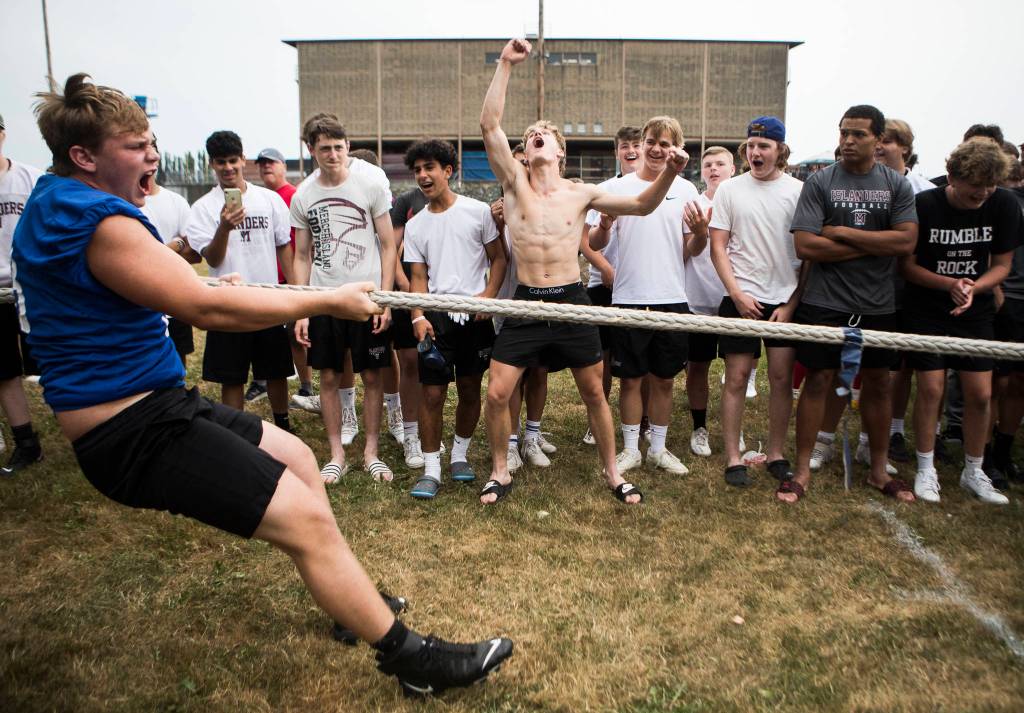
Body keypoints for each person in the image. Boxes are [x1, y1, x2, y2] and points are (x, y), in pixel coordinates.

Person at [14, 72, 511, 697]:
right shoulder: (92, 218)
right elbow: (206, 312)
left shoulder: (61, 202)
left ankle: (348, 603)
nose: (153, 156)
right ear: (84, 157)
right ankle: (416, 663)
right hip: (129, 431)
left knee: (300, 458)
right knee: (302, 515)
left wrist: (210, 286)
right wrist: (326, 300)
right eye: (135, 146)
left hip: (161, 403)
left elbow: (171, 284)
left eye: (151, 141)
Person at [480, 39, 687, 505]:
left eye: (544, 134)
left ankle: (614, 473)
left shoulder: (581, 193)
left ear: (559, 151)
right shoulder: (513, 186)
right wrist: (506, 65)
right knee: (496, 394)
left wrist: (669, 173)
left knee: (594, 392)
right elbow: (489, 123)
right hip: (526, 302)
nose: (536, 136)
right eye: (531, 133)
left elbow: (641, 204)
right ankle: (499, 470)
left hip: (573, 300)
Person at [784, 105, 918, 503]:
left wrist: (840, 233)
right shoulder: (819, 182)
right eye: (844, 133)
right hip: (824, 301)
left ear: (878, 139)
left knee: (878, 385)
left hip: (878, 304)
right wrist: (875, 246)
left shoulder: (896, 185)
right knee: (818, 381)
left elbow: (906, 242)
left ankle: (878, 470)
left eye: (858, 134)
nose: (848, 141)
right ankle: (803, 469)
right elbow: (806, 245)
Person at [902, 138, 1019, 505]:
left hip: (976, 310)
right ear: (952, 175)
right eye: (975, 186)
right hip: (927, 307)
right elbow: (906, 266)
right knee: (932, 390)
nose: (982, 192)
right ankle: (925, 468)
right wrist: (950, 284)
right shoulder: (925, 204)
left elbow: (1002, 265)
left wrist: (974, 287)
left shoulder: (1003, 204)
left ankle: (975, 469)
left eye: (990, 184)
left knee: (981, 393)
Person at [589, 116, 700, 478]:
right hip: (628, 296)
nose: (655, 149)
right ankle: (630, 449)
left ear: (676, 150)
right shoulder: (615, 188)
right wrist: (605, 225)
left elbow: (693, 248)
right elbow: (593, 243)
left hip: (671, 295)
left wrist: (699, 233)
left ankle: (658, 449)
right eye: (651, 140)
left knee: (665, 378)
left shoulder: (686, 189)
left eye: (665, 144)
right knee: (631, 379)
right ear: (642, 143)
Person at [291, 115, 397, 484]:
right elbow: (301, 255)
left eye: (339, 147)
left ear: (347, 146)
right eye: (325, 148)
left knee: (371, 375)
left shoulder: (370, 184)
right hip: (324, 299)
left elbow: (388, 244)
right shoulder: (303, 193)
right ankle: (336, 454)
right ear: (311, 150)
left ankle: (371, 452)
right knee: (330, 376)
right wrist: (302, 308)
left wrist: (384, 299)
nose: (333, 154)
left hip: (366, 298)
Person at [403, 139, 506, 498]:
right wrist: (417, 316)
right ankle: (431, 469)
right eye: (417, 170)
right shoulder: (415, 227)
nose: (422, 175)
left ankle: (459, 456)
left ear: (448, 171)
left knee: (469, 390)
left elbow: (500, 259)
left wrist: (488, 299)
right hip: (436, 318)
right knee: (431, 395)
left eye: (429, 167)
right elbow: (417, 278)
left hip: (476, 317)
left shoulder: (478, 212)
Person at [709, 117, 804, 487]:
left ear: (780, 149)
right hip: (740, 297)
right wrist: (736, 294)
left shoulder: (798, 191)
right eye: (750, 146)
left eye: (763, 146)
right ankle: (734, 457)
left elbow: (807, 256)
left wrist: (792, 305)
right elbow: (718, 246)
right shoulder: (730, 190)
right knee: (735, 378)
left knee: (781, 379)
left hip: (783, 301)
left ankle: (777, 453)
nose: (755, 153)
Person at [187, 131, 295, 433]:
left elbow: (284, 247)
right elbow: (212, 257)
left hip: (266, 298)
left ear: (242, 160)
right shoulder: (203, 208)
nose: (228, 168)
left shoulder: (269, 200)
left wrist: (297, 294)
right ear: (212, 164)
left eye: (233, 161)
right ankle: (234, 430)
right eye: (221, 162)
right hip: (227, 301)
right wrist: (223, 227)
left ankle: (283, 423)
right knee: (231, 375)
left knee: (276, 370)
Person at [579, 126, 641, 445]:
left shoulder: (653, 189)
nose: (631, 150)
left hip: (640, 288)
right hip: (603, 286)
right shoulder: (602, 189)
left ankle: (640, 420)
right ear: (617, 151)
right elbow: (585, 240)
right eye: (624, 146)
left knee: (635, 357)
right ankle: (597, 421)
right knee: (600, 359)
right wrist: (604, 266)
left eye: (636, 145)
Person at [251, 147, 318, 411]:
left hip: (292, 277)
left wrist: (302, 278)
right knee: (265, 332)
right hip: (268, 279)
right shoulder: (260, 198)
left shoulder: (294, 196)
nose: (267, 168)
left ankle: (306, 385)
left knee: (295, 334)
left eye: (272, 163)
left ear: (282, 166)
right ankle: (261, 381)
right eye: (262, 164)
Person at [0, 112, 44, 473]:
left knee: (51, 362)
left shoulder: (29, 179)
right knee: (4, 371)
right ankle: (25, 441)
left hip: (31, 285)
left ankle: (83, 427)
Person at [683, 146, 734, 457]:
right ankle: (699, 428)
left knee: (736, 370)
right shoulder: (693, 205)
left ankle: (733, 427)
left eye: (720, 164)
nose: (714, 169)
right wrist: (701, 231)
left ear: (733, 168)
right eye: (708, 165)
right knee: (698, 367)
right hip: (698, 301)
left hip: (733, 302)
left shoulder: (740, 200)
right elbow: (688, 251)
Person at [140, 140, 200, 369]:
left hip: (173, 298)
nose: (148, 155)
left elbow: (194, 254)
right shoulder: (117, 202)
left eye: (151, 146)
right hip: (137, 302)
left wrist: (157, 255)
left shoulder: (175, 202)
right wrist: (175, 245)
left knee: (177, 364)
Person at [390, 184, 429, 468]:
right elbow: (390, 249)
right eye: (419, 168)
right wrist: (405, 289)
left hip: (439, 294)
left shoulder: (458, 207)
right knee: (410, 362)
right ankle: (412, 433)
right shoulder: (406, 201)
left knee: (434, 366)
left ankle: (430, 430)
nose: (425, 174)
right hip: (407, 291)